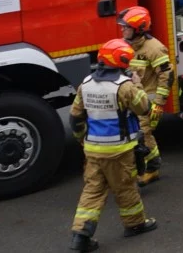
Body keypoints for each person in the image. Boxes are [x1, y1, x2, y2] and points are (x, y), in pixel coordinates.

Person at [68, 39, 158, 251]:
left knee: (93, 190)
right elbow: (144, 108)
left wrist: (83, 140)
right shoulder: (124, 86)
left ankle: (80, 234)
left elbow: (75, 118)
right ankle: (135, 225)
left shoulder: (86, 83)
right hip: (118, 150)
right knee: (125, 188)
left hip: (92, 150)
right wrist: (137, 83)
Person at [118, 6, 170, 187]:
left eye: (126, 27)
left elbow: (165, 77)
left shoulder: (154, 49)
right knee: (133, 133)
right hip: (131, 96)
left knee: (144, 133)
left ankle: (152, 168)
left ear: (139, 28)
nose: (122, 29)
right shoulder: (125, 45)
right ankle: (144, 164)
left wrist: (158, 104)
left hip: (147, 99)